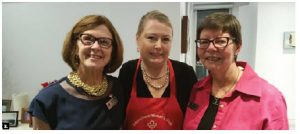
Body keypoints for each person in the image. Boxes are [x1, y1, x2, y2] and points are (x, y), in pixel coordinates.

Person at [183, 12, 289, 130]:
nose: (211, 48)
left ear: (238, 47)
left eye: (220, 41)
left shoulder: (270, 99)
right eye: (204, 42)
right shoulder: (197, 90)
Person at [28, 15, 124, 129]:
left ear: (113, 51)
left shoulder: (120, 88)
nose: (96, 46)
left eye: (104, 41)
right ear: (75, 47)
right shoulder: (47, 99)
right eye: (88, 39)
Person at [118, 10, 197, 130]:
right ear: (138, 40)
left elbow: (193, 122)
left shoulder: (185, 73)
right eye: (151, 38)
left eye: (165, 39)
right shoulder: (128, 71)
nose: (159, 46)